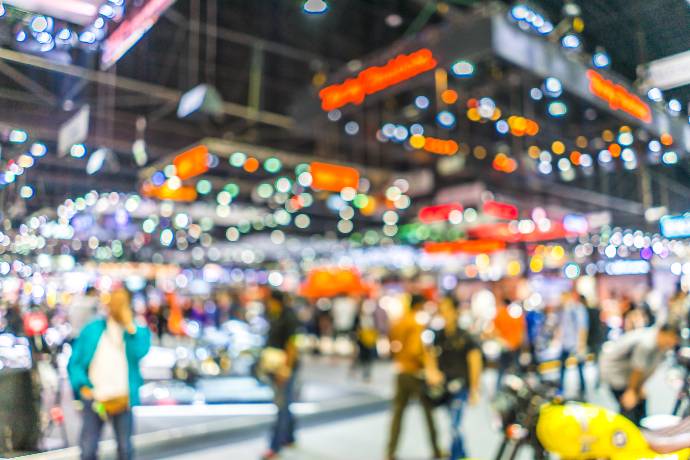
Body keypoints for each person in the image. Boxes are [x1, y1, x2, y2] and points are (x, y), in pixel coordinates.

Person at [68, 288, 151, 460]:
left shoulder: (133, 332)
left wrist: (130, 326)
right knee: (89, 447)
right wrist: (83, 386)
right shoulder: (92, 330)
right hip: (95, 399)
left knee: (124, 448)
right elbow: (75, 363)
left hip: (122, 399)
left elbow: (140, 352)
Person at [387, 294, 442, 460]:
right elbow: (415, 349)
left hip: (400, 371)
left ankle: (390, 451)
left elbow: (392, 345)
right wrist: (428, 366)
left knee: (398, 414)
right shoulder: (416, 324)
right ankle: (436, 449)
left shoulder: (399, 322)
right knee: (428, 413)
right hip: (415, 374)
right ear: (419, 305)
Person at [430, 298, 482, 460]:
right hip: (445, 387)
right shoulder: (438, 336)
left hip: (461, 386)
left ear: (455, 312)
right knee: (453, 424)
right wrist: (432, 371)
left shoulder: (466, 337)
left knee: (455, 424)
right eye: (441, 310)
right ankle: (461, 454)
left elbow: (475, 362)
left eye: (446, 309)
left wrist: (474, 389)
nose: (443, 314)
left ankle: (456, 456)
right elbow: (429, 355)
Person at [599, 323, 680, 425]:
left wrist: (640, 386)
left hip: (629, 375)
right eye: (672, 337)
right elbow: (637, 367)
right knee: (629, 406)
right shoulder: (647, 343)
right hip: (616, 373)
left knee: (640, 402)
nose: (674, 341)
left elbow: (649, 368)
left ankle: (640, 431)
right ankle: (625, 434)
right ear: (662, 332)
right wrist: (631, 390)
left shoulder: (663, 347)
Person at [262, 290, 300, 460]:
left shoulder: (289, 317)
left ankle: (274, 446)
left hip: (284, 367)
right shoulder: (274, 315)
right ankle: (289, 437)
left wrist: (286, 369)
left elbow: (293, 345)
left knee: (282, 405)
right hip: (276, 365)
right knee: (286, 403)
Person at [557, 292, 589, 396]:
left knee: (579, 367)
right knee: (562, 367)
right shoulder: (565, 309)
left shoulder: (578, 309)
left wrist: (581, 344)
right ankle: (561, 388)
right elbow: (563, 326)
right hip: (566, 343)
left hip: (575, 344)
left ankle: (583, 389)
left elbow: (582, 327)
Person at [492, 298, 526, 391]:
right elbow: (522, 330)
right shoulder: (516, 313)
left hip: (506, 346)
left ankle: (498, 391)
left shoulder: (500, 313)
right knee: (516, 369)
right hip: (515, 346)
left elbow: (495, 331)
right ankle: (520, 390)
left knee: (502, 370)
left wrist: (502, 342)